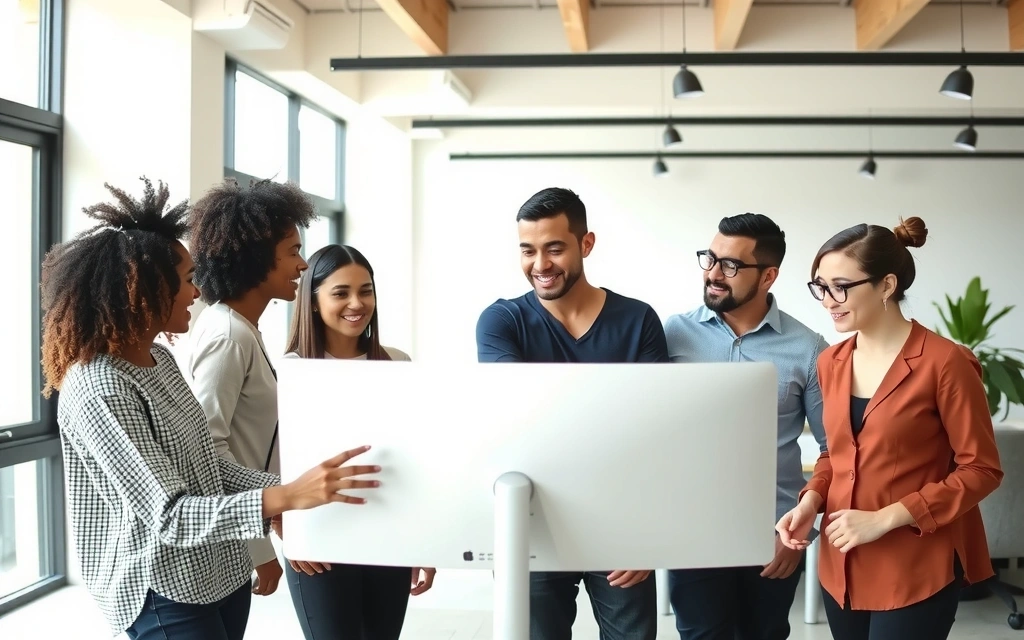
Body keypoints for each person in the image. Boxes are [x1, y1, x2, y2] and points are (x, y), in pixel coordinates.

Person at [41, 178, 381, 640]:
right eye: (184, 281)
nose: (197, 293)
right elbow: (170, 514)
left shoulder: (159, 360)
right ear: (145, 290)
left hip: (219, 574)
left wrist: (285, 493)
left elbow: (207, 462)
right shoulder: (100, 388)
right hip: (164, 591)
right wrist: (283, 498)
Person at [776, 216, 1003, 640]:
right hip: (842, 561)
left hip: (917, 560)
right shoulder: (831, 362)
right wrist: (811, 502)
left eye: (841, 286)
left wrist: (887, 518)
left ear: (886, 285)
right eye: (820, 286)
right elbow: (836, 455)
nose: (828, 300)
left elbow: (982, 469)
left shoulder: (946, 363)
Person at [475, 187, 666, 640]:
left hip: (621, 524)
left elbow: (658, 430)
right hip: (531, 522)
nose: (540, 265)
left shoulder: (638, 320)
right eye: (528, 250)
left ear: (587, 244)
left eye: (554, 248)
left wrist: (650, 533)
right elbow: (519, 411)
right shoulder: (501, 321)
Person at [662, 213, 828, 640]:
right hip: (693, 535)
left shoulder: (807, 349)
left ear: (769, 275)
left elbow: (835, 451)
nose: (714, 274)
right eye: (710, 259)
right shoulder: (671, 336)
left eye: (731, 265)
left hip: (772, 537)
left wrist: (802, 532)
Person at [280, 243, 436, 639]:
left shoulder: (397, 363)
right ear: (312, 302)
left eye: (365, 290)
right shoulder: (292, 371)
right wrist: (288, 532)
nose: (357, 303)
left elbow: (414, 459)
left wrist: (424, 540)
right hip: (319, 543)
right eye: (341, 292)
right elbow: (277, 463)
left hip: (389, 538)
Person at [185, 177, 316, 598]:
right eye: (293, 252)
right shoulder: (228, 335)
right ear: (255, 259)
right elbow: (207, 449)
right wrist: (259, 548)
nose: (302, 265)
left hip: (245, 527)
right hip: (227, 540)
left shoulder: (242, 328)